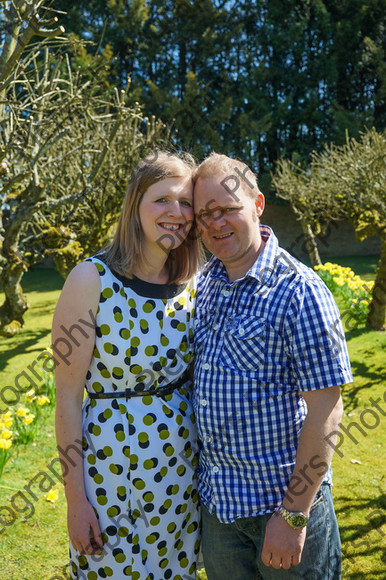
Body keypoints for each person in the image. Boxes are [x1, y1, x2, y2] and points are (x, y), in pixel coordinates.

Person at [192, 152, 353, 579]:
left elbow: (327, 409)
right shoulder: (206, 283)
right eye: (203, 214)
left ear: (257, 204)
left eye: (227, 209)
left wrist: (294, 515)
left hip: (279, 511)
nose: (215, 223)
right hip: (220, 514)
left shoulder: (300, 290)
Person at [53, 151, 204, 579]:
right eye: (162, 200)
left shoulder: (191, 284)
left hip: (181, 477)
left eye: (186, 202)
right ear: (135, 205)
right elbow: (66, 398)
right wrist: (76, 501)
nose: (177, 212)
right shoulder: (90, 280)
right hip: (111, 478)